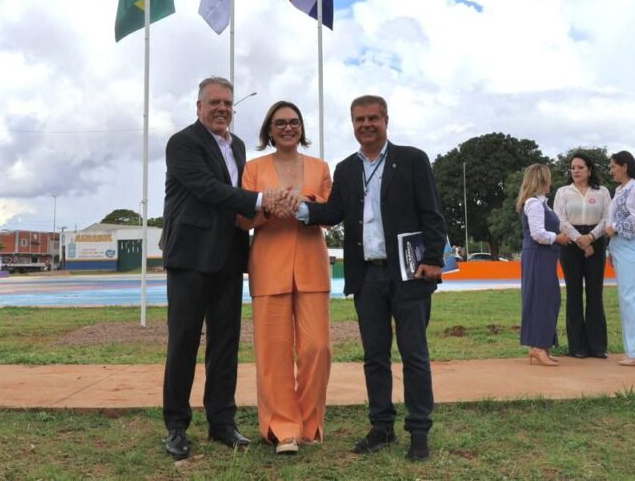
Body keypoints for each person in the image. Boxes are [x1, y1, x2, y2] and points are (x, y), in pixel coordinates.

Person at [299, 95, 447, 462]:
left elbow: (432, 212)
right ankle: (381, 426)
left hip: (409, 274)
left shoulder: (412, 159)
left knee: (414, 354)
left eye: (373, 118)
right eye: (359, 119)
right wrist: (301, 208)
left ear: (386, 120)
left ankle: (419, 431)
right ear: (352, 124)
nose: (366, 125)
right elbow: (333, 212)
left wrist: (432, 259)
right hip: (367, 277)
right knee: (375, 356)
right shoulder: (347, 168)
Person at [160, 76, 287, 460]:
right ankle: (177, 426)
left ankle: (222, 422)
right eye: (214, 102)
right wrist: (264, 199)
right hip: (190, 256)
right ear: (198, 106)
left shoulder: (240, 146)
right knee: (183, 341)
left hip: (230, 256)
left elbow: (236, 198)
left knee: (226, 342)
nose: (221, 109)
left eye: (228, 104)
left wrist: (266, 203)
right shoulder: (182, 143)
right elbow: (209, 189)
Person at [239, 101, 333, 454]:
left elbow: (329, 214)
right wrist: (268, 207)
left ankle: (309, 424)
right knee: (273, 352)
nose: (288, 127)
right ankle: (283, 430)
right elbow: (243, 219)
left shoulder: (321, 168)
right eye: (280, 123)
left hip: (312, 266)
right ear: (269, 130)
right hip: (268, 267)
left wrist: (303, 203)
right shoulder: (253, 168)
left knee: (317, 348)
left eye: (294, 122)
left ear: (302, 127)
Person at [553, 153, 611, 359]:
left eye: (580, 167)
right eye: (572, 167)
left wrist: (592, 237)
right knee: (574, 294)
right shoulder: (563, 192)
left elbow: (607, 218)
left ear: (589, 169)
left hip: (596, 242)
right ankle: (577, 346)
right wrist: (580, 240)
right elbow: (560, 219)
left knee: (595, 294)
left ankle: (597, 346)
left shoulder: (602, 192)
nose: (575, 171)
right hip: (570, 243)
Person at [517, 164, 571, 366]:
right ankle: (538, 347)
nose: (551, 182)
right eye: (548, 178)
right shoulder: (534, 203)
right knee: (542, 298)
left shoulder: (541, 204)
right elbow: (538, 234)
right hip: (538, 255)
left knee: (550, 299)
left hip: (544, 256)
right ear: (541, 180)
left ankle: (541, 346)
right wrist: (557, 238)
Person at [604, 151, 635, 366]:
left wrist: (614, 228)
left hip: (633, 247)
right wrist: (610, 249)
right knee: (629, 299)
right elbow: (612, 219)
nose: (611, 170)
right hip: (620, 247)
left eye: (614, 166)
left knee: (632, 299)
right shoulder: (619, 190)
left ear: (625, 166)